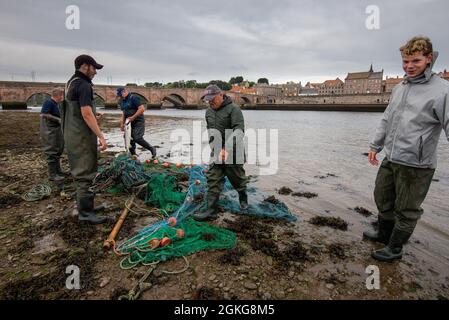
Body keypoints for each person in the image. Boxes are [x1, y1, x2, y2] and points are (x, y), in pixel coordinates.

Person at [364, 36, 449, 262]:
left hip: (418, 164)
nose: (409, 66)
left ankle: (395, 247)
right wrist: (375, 145)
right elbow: (387, 119)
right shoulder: (400, 87)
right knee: (382, 197)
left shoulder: (442, 90)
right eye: (405, 61)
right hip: (391, 156)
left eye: (416, 61)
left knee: (407, 209)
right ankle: (384, 234)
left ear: (429, 59)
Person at [62, 54, 108, 224]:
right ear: (84, 66)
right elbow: (86, 113)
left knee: (82, 170)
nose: (95, 72)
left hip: (73, 133)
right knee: (85, 172)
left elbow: (79, 110)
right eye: (94, 68)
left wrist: (93, 114)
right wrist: (101, 136)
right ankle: (86, 213)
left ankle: (86, 206)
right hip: (81, 136)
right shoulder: (83, 84)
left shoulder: (71, 82)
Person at [193, 84, 248, 221]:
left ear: (221, 95)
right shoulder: (208, 112)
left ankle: (243, 195)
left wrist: (227, 148)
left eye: (213, 99)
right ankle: (211, 210)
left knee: (237, 179)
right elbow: (211, 131)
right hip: (217, 151)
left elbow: (239, 130)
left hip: (234, 151)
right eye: (208, 99)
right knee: (213, 178)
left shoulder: (234, 109)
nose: (210, 102)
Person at [117, 87, 156, 158]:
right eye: (119, 95)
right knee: (127, 137)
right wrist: (122, 124)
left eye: (120, 95)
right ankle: (133, 154)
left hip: (138, 121)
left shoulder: (134, 98)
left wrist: (133, 117)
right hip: (129, 122)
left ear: (124, 91)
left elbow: (142, 109)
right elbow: (123, 113)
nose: (120, 96)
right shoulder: (122, 101)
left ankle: (152, 148)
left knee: (137, 138)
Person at [40, 89, 65, 181]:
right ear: (58, 96)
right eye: (62, 96)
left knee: (58, 150)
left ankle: (58, 171)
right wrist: (57, 119)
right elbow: (43, 114)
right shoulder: (49, 102)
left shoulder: (56, 104)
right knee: (51, 151)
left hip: (56, 130)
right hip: (49, 131)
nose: (62, 98)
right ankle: (52, 175)